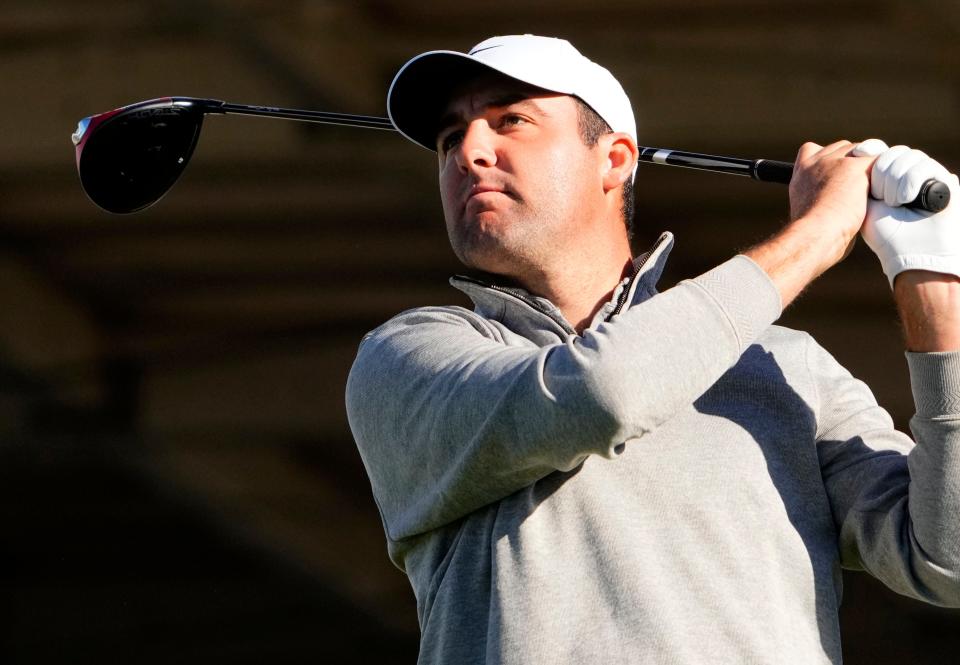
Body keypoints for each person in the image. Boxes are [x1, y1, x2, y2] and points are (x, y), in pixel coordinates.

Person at [345, 34, 960, 664]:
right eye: (451, 139)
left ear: (614, 159)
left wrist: (933, 286)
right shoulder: (410, 355)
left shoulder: (783, 365)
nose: (470, 152)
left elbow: (947, 559)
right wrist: (817, 233)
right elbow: (602, 390)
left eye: (512, 121)